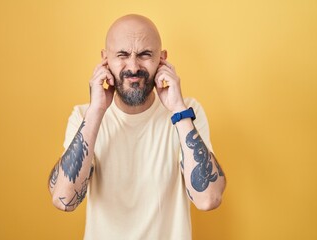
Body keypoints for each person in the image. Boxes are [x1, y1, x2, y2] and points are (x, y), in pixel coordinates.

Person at [48, 14, 226, 240]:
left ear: (162, 60)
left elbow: (208, 199)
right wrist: (96, 111)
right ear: (105, 60)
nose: (133, 67)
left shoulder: (187, 113)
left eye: (145, 55)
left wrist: (178, 109)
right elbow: (64, 199)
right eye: (122, 55)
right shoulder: (84, 116)